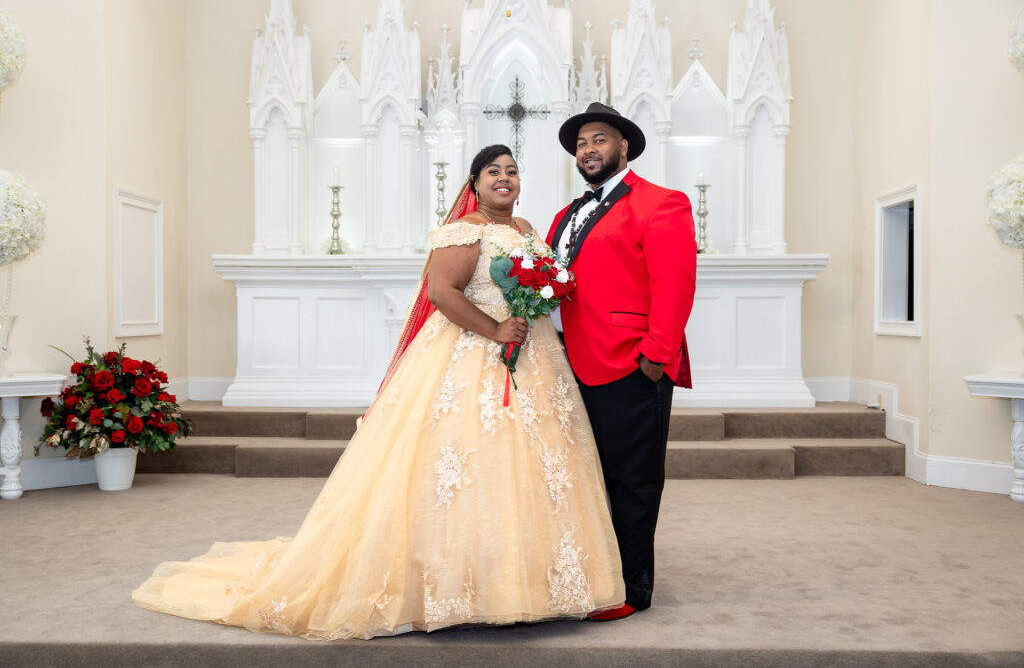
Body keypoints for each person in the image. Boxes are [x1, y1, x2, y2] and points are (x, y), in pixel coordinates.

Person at [132, 144, 625, 640]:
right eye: (492, 172)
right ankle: (454, 585)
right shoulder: (464, 230)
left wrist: (535, 301)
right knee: (465, 465)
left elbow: (542, 286)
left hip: (532, 361)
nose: (504, 178)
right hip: (472, 356)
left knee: (535, 470)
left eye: (512, 171)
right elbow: (441, 292)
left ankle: (532, 583)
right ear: (473, 184)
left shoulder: (527, 231)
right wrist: (496, 330)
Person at [545, 103, 697, 621]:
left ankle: (633, 589)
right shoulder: (567, 214)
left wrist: (654, 358)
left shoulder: (662, 203)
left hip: (629, 364)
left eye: (599, 139)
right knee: (585, 478)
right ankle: (594, 570)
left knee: (632, 480)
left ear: (623, 146)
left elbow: (674, 285)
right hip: (569, 367)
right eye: (582, 142)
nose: (589, 149)